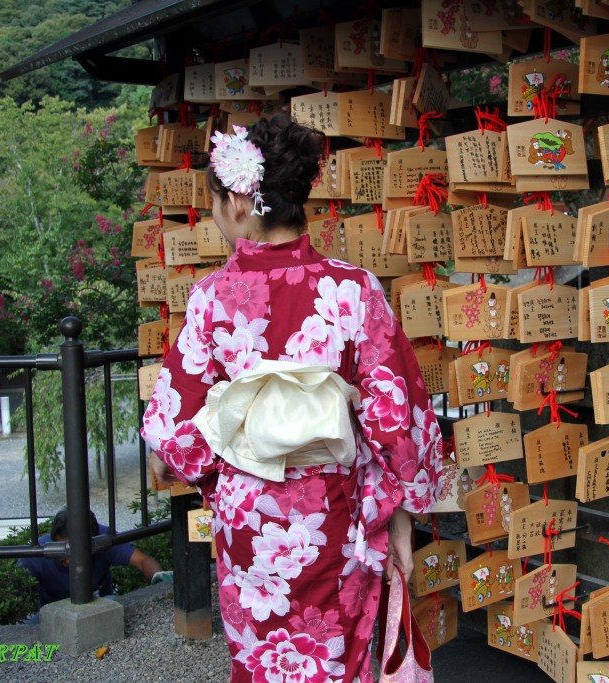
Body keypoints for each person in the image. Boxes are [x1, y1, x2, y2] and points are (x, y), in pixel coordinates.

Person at [141, 114, 443, 682]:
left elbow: (176, 443)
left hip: (252, 525)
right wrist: (399, 511)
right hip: (337, 517)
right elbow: (396, 417)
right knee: (336, 662)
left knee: (263, 664)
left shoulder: (211, 299)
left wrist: (210, 463)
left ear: (236, 199)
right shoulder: (354, 288)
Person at [18, 508, 164, 607]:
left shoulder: (103, 538)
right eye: (62, 550)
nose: (68, 558)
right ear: (54, 541)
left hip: (100, 604)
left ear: (94, 543)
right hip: (54, 614)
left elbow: (142, 560)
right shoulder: (39, 553)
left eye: (74, 551)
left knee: (114, 605)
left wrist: (160, 580)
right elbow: (14, 587)